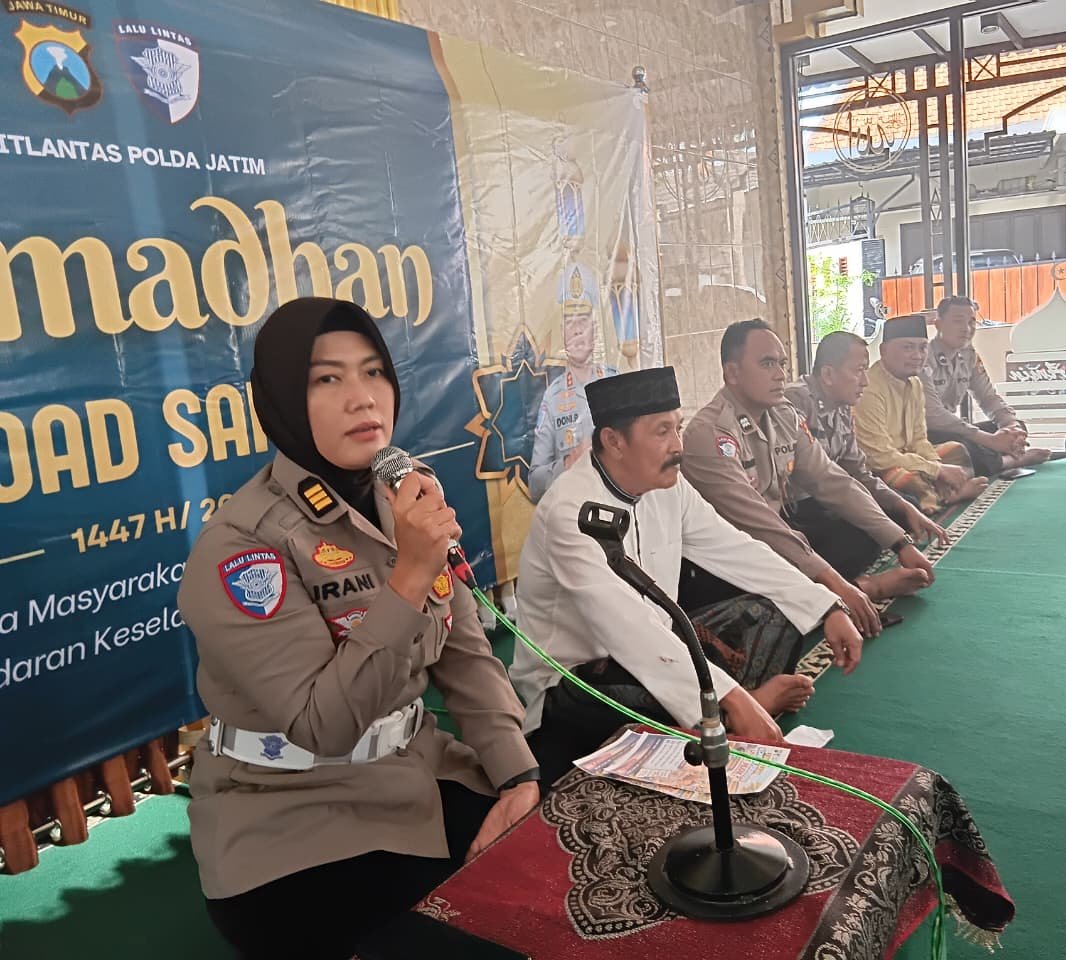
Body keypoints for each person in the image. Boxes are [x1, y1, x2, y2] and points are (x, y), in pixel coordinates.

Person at [177, 298, 540, 959]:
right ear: (280, 399)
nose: (362, 397)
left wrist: (516, 774)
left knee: (570, 872)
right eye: (327, 378)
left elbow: (466, 656)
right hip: (296, 822)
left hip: (419, 771)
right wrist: (410, 575)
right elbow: (324, 726)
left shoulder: (405, 494)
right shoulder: (242, 547)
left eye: (374, 372)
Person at [513, 366, 865, 785]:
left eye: (677, 428)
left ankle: (716, 715)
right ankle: (727, 713)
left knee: (772, 611)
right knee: (636, 697)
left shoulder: (669, 485)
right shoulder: (570, 511)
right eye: (662, 432)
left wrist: (826, 606)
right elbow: (627, 629)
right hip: (578, 681)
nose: (678, 446)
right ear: (614, 441)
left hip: (663, 646)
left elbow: (737, 549)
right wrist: (732, 696)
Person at [681, 320, 940, 638]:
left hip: (778, 539)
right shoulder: (710, 434)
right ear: (732, 373)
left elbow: (832, 480)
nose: (780, 374)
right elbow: (761, 527)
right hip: (732, 561)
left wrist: (900, 542)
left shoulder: (783, 414)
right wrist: (837, 583)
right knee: (759, 602)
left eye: (782, 363)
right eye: (767, 364)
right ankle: (860, 590)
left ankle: (827, 598)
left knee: (859, 532)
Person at [784, 330, 949, 553]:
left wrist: (903, 506)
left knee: (903, 508)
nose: (865, 381)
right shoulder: (796, 401)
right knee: (862, 539)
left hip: (834, 496)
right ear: (828, 374)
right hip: (798, 506)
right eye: (859, 370)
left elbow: (859, 473)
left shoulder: (842, 404)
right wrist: (895, 538)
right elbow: (823, 480)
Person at [854, 313, 988, 514]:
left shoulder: (915, 383)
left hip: (908, 458)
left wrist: (936, 467)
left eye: (923, 347)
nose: (917, 356)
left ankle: (942, 494)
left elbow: (919, 439)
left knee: (956, 449)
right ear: (884, 351)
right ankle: (944, 497)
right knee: (904, 479)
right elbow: (878, 457)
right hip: (880, 466)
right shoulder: (869, 389)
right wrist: (937, 471)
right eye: (908, 347)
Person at [922, 296, 1051, 477]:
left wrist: (1011, 427)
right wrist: (988, 440)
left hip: (955, 428)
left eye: (971, 322)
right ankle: (1011, 461)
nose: (966, 329)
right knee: (963, 445)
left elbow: (988, 398)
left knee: (1013, 427)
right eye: (958, 321)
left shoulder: (969, 356)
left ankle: (1000, 455)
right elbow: (934, 415)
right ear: (938, 324)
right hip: (930, 432)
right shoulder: (923, 358)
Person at [528, 266, 617, 502]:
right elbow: (535, 484)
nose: (577, 331)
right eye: (570, 322)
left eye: (583, 321)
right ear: (562, 332)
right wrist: (569, 462)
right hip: (575, 511)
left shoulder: (616, 384)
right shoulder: (553, 397)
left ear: (594, 330)